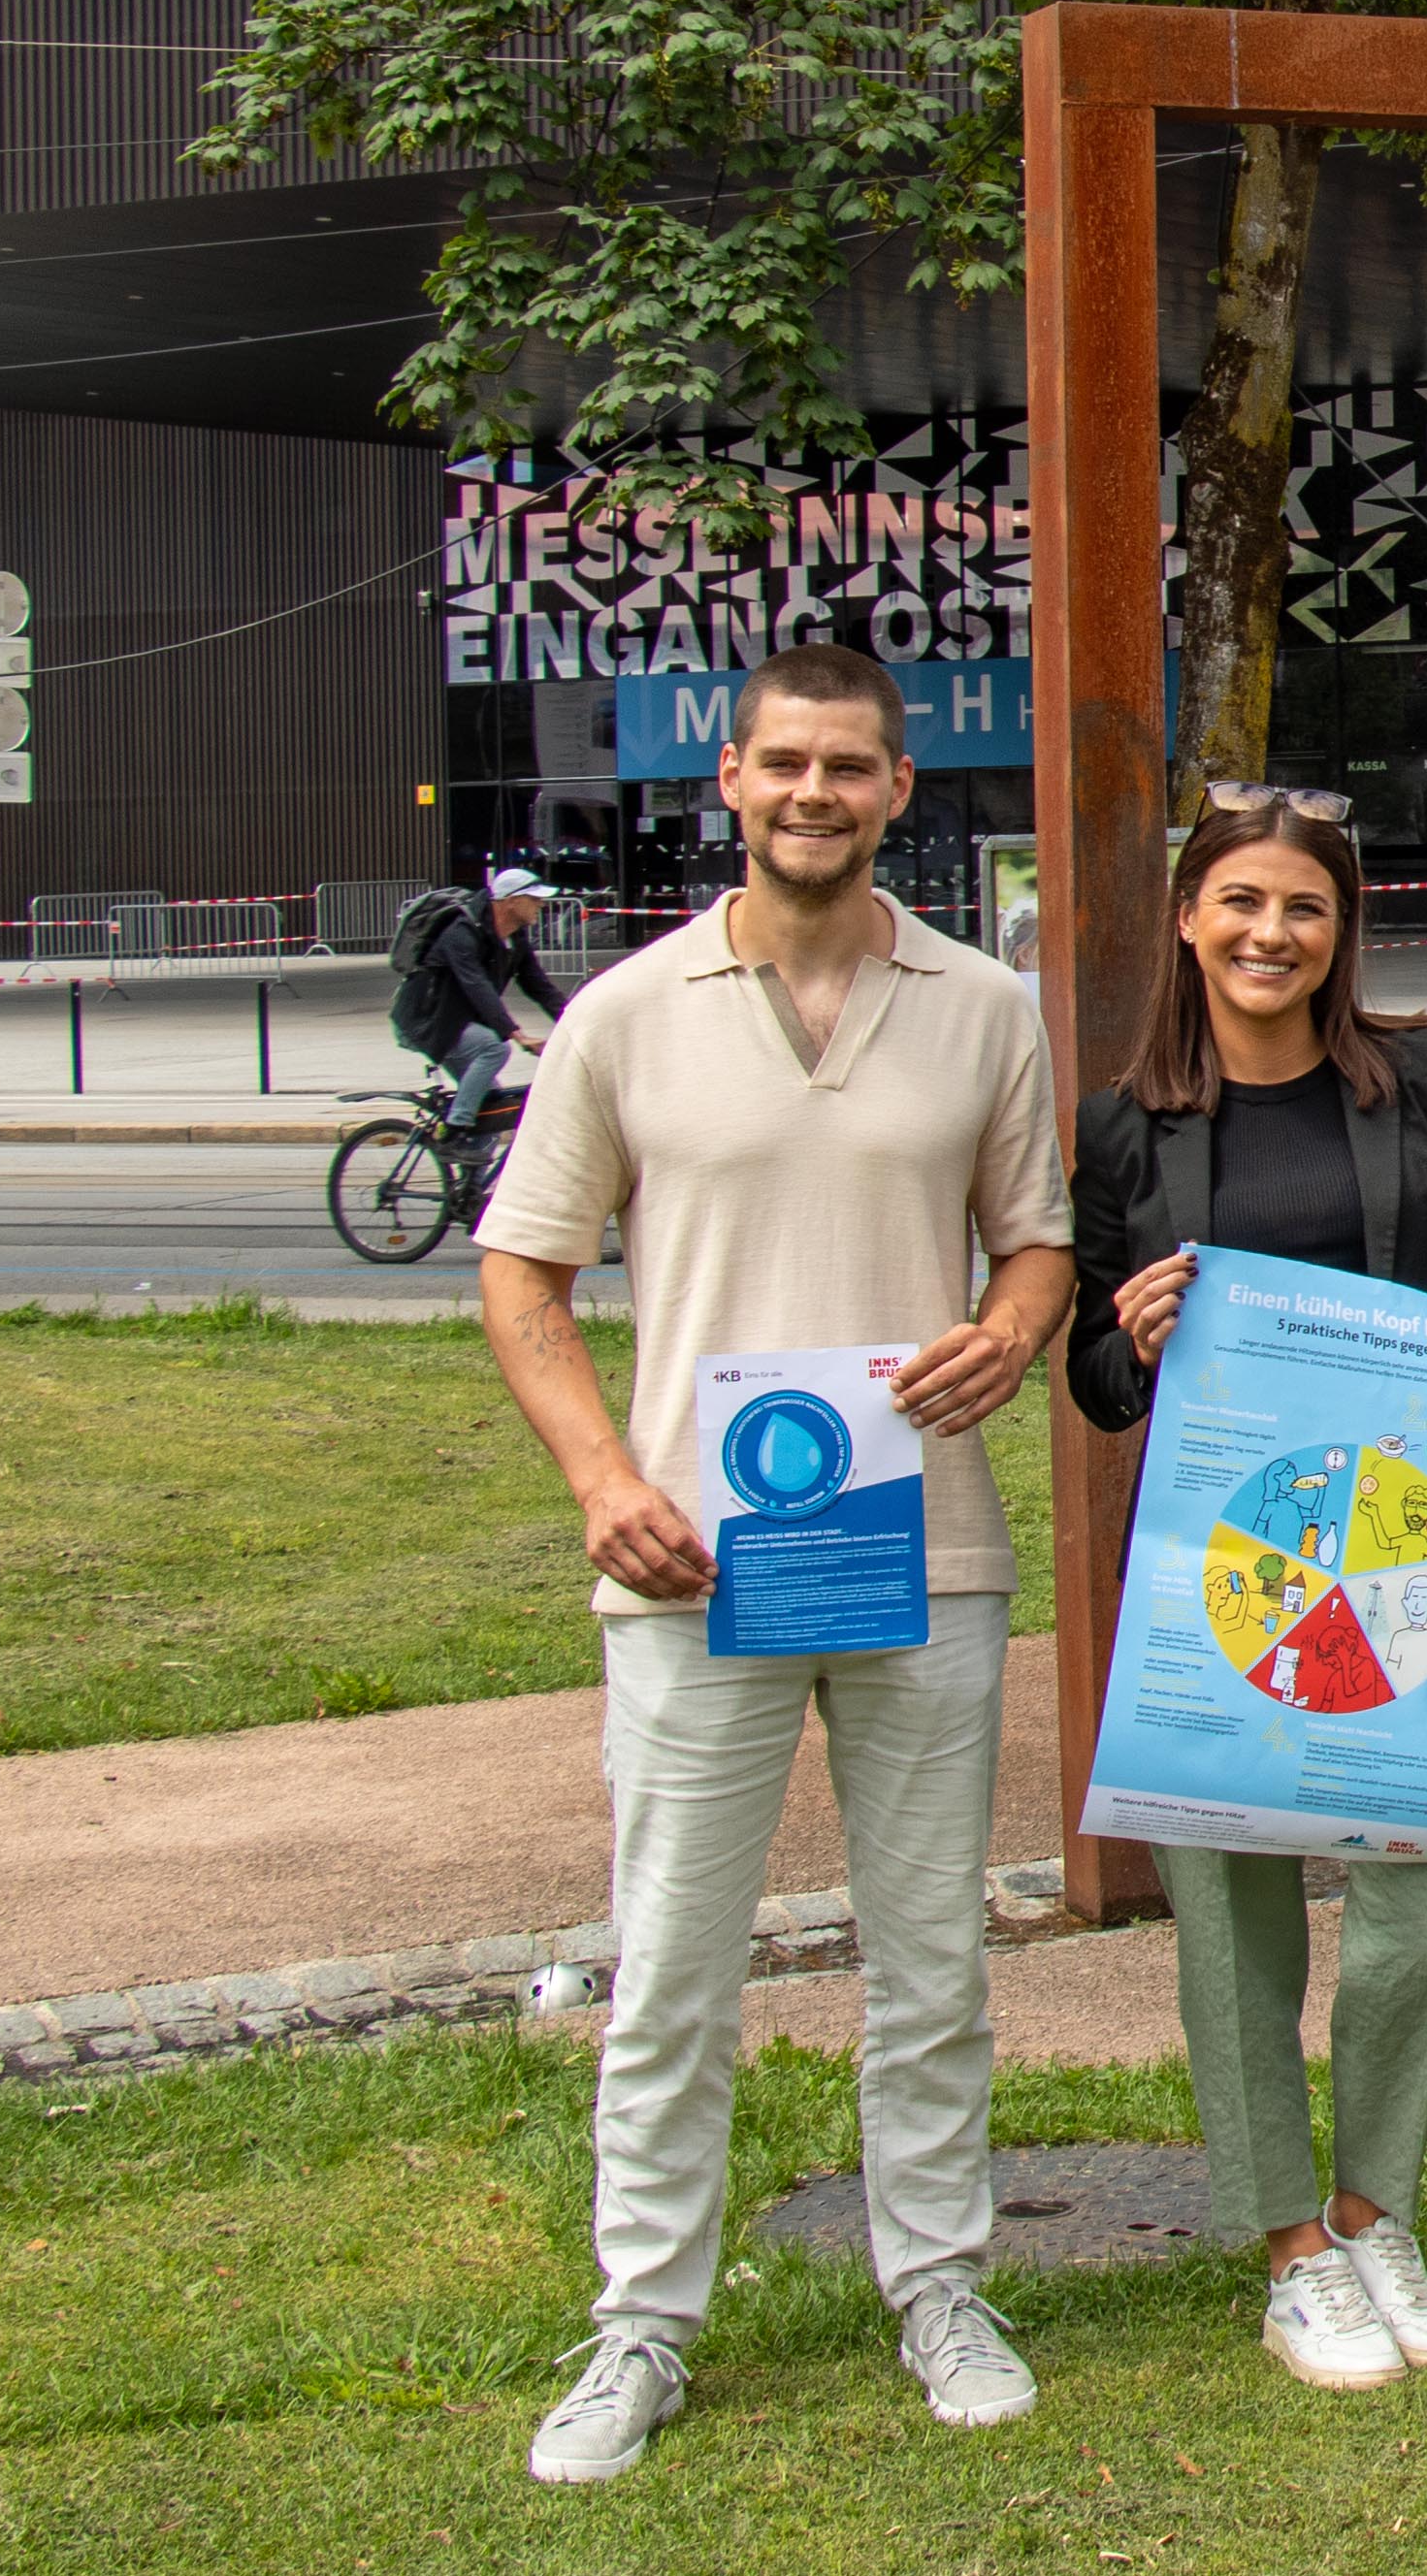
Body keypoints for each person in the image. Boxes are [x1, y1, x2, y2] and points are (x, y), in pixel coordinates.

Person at [473, 640, 1076, 2484]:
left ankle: (943, 2285)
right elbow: (523, 1269)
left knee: (931, 1961)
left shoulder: (985, 1007)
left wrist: (1011, 1328)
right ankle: (641, 2322)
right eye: (784, 764)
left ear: (903, 789)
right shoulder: (627, 1015)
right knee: (668, 1960)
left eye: (851, 768)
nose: (815, 793)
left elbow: (1034, 1240)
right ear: (727, 780)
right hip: (687, 1567)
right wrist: (598, 1476)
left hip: (925, 1558)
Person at [1065, 790, 1427, 2391]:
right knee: (1228, 1920)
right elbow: (1094, 1383)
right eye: (1238, 901)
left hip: (1422, 1556)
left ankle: (1378, 2207)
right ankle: (1289, 2243)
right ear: (1188, 915)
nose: (1268, 933)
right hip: (1224, 1575)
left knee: (1426, 1903)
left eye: (1301, 907)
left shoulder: (1423, 1075)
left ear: (1339, 925)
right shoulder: (1120, 1125)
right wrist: (1134, 1329)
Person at [399, 866, 572, 1130]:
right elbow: (476, 986)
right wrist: (516, 1034)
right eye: (534, 898)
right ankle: (456, 1126)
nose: (541, 904)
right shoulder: (461, 931)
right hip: (428, 1021)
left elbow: (540, 987)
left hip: (460, 1022)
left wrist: (576, 1022)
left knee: (492, 1116)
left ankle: (469, 1163)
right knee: (495, 1048)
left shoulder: (515, 939)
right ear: (511, 901)